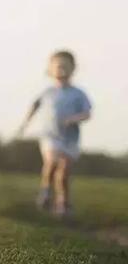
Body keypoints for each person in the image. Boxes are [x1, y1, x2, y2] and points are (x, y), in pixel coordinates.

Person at [18, 50, 92, 218]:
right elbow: (34, 106)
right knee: (51, 162)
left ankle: (63, 202)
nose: (62, 70)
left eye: (66, 66)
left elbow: (87, 114)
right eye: (58, 66)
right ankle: (46, 191)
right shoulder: (47, 92)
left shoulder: (78, 94)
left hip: (70, 139)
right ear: (50, 70)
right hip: (50, 136)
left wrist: (73, 119)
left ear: (73, 69)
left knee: (64, 171)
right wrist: (24, 124)